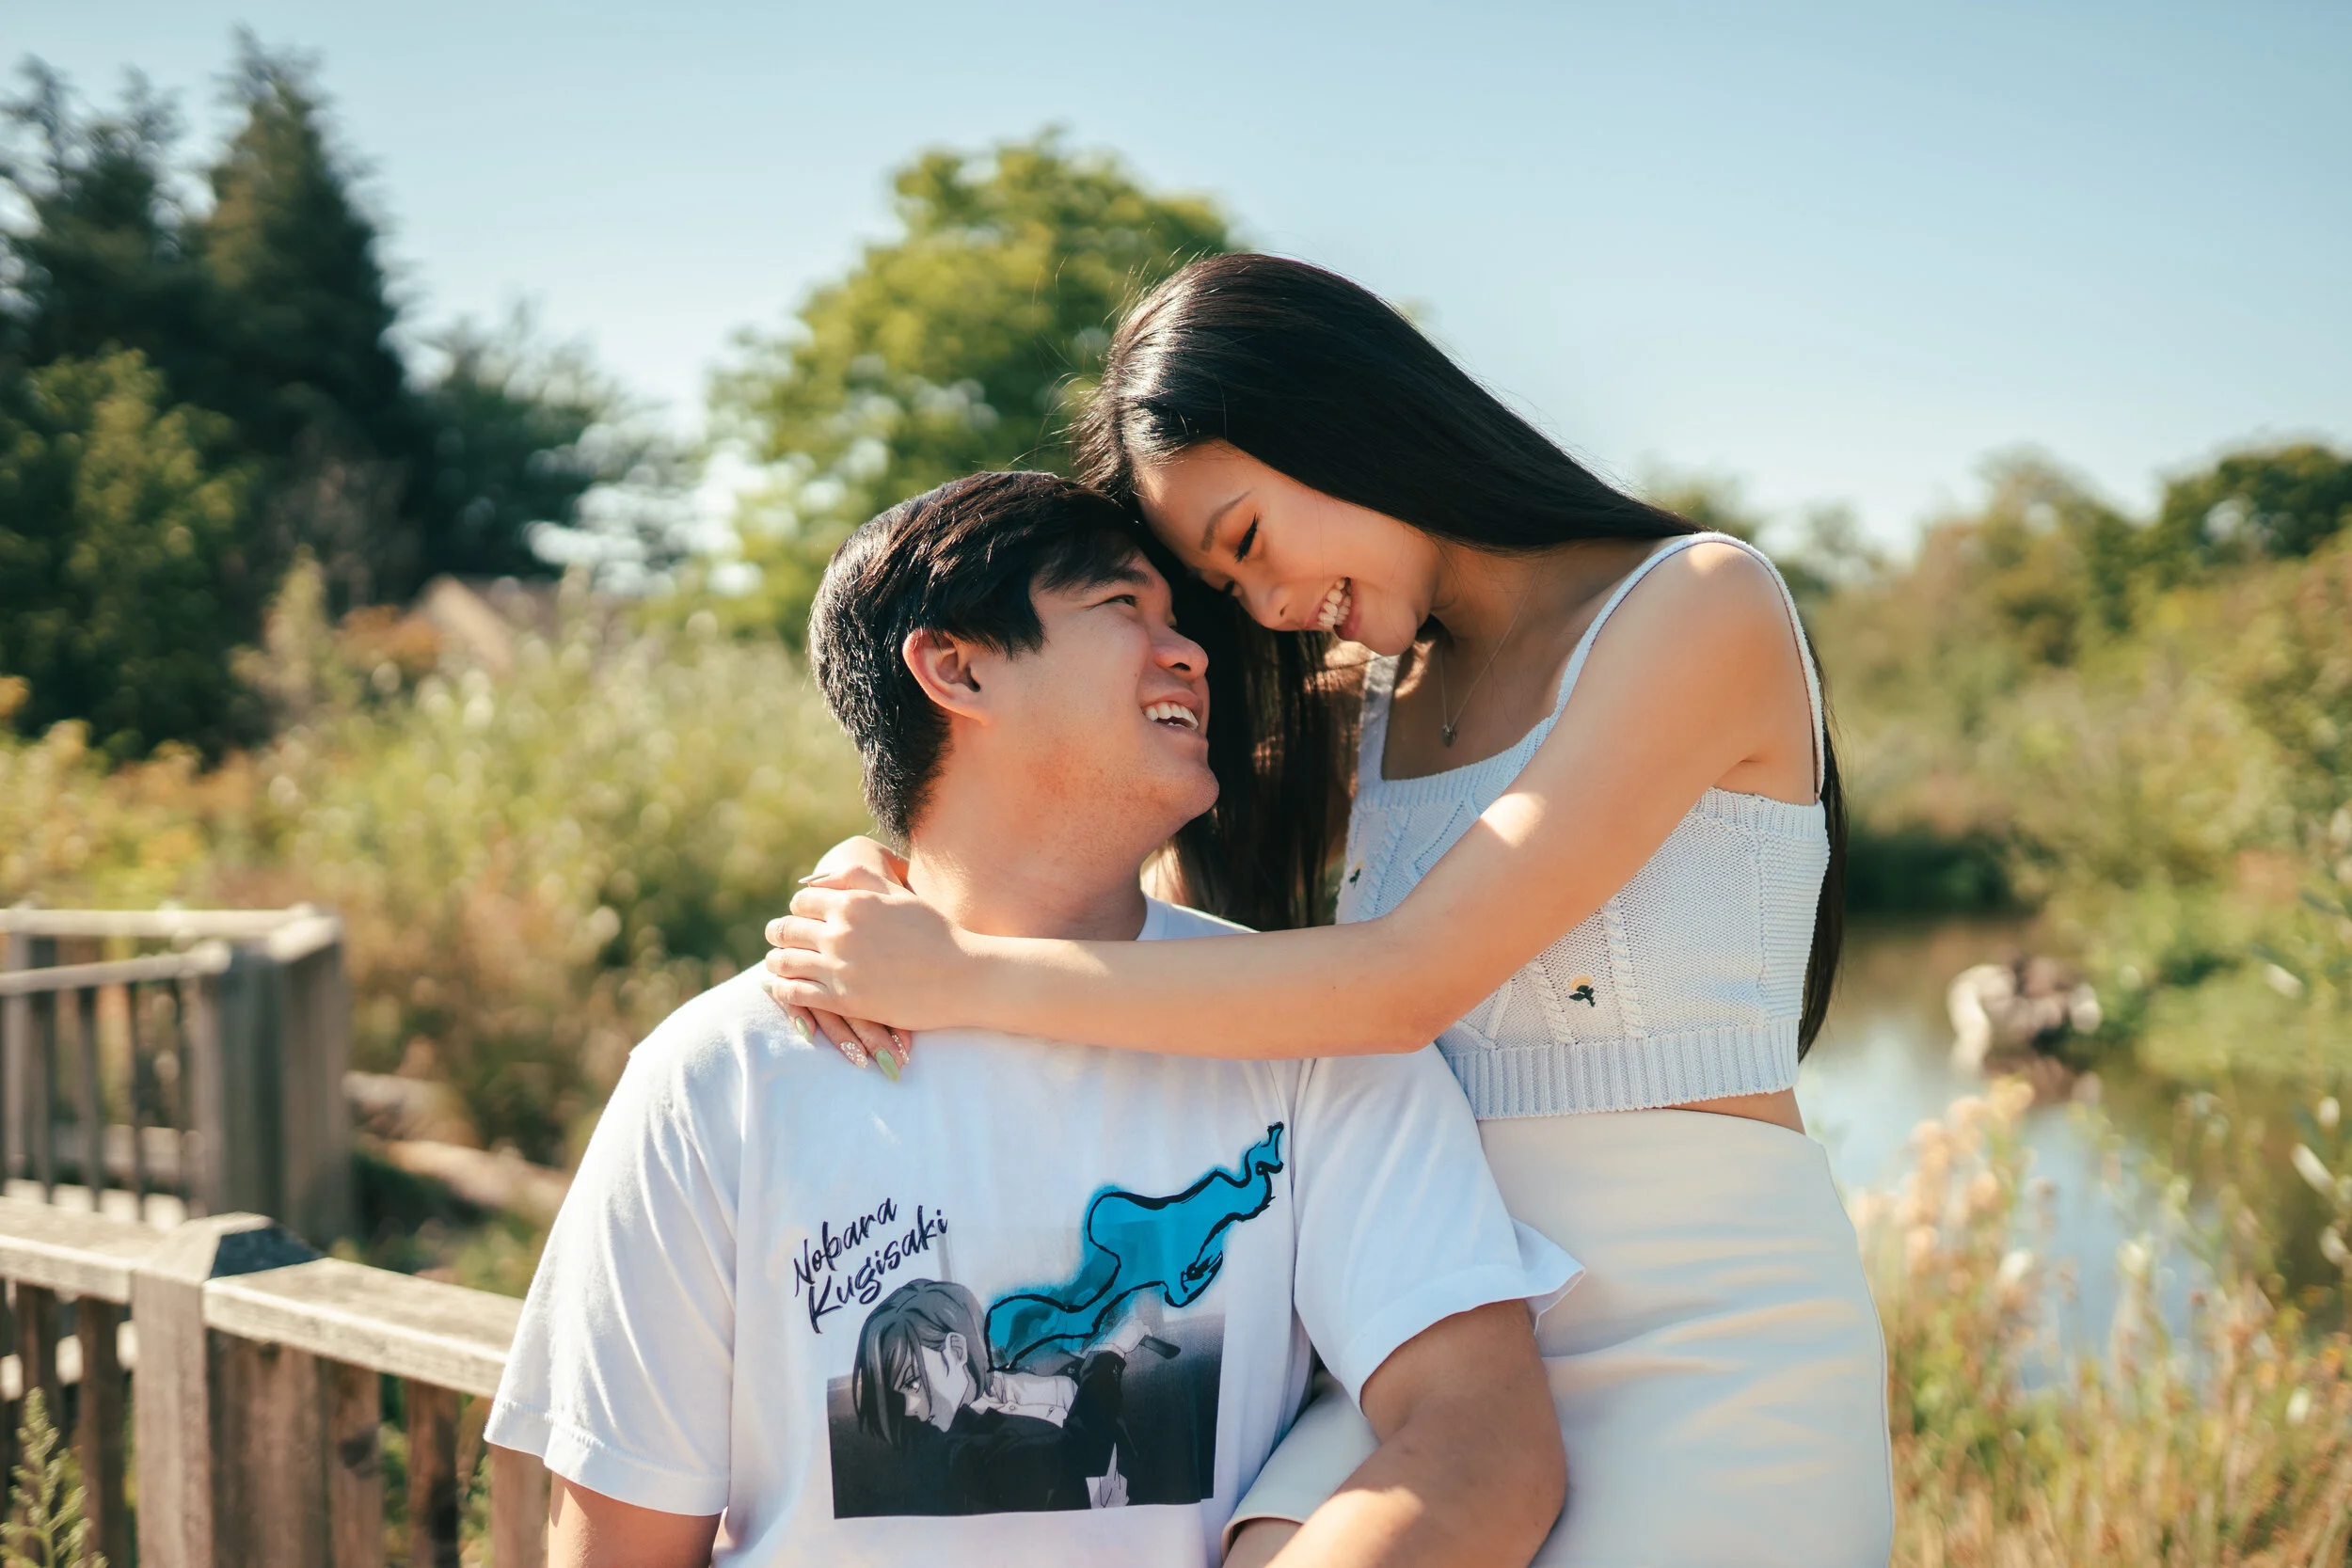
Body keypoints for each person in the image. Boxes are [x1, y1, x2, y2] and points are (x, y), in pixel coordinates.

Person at [758, 256, 1898, 1566]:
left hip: (1701, 1343)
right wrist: (889, 874)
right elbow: (1086, 867)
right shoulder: (1363, 701)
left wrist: (953, 969)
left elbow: (1403, 980)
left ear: (1341, 418)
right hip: (1420, 1335)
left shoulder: (1698, 602)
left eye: (1248, 542)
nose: (1267, 608)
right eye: (1226, 586)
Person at [485, 469, 1577, 1567]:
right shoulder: (720, 1076)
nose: (1192, 653)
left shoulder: (1313, 1039)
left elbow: (1483, 1443)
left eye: (1181, 619)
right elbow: (620, 1544)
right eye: (1124, 606)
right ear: (956, 667)